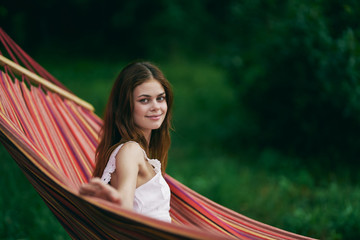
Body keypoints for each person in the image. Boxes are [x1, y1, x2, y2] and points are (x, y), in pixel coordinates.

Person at [79, 62, 173, 223]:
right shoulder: (131, 150)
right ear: (125, 106)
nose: (156, 107)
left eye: (160, 98)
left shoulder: (139, 153)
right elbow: (125, 207)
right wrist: (114, 201)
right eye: (144, 100)